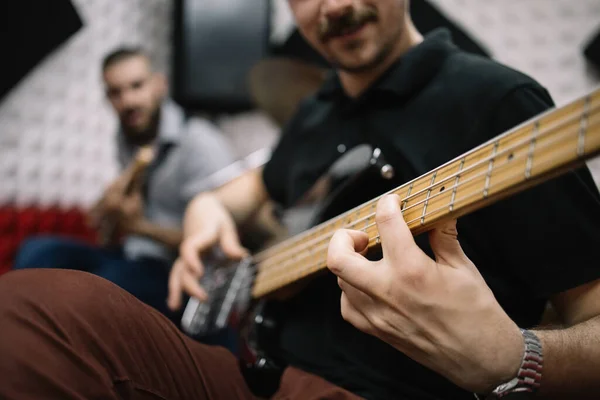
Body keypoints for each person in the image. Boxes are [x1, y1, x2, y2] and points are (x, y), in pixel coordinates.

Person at [1, 1, 600, 399]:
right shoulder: (316, 109)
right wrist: (204, 210)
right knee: (30, 314)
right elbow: (247, 189)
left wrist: (513, 356)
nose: (333, 5)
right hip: (253, 369)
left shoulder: (497, 103)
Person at [12, 47, 238, 319]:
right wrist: (113, 213)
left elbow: (215, 247)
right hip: (132, 256)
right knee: (37, 252)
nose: (128, 100)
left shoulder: (200, 144)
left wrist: (138, 227)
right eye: (116, 92)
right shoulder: (127, 136)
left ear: (159, 85)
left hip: (181, 274)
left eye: (137, 86)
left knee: (100, 285)